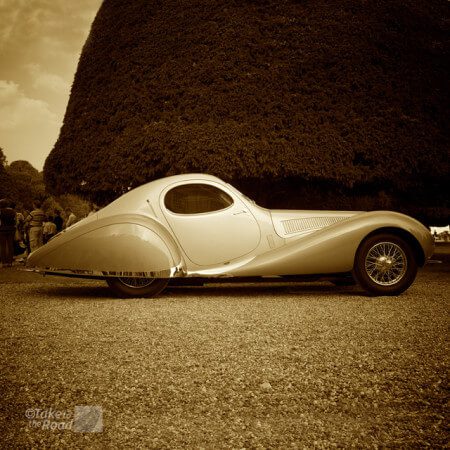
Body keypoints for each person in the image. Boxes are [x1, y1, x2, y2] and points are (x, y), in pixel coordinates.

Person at [0, 198, 16, 267]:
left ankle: (4, 262)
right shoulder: (12, 211)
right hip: (11, 229)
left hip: (2, 229)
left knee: (2, 246)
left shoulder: (0, 211)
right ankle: (10, 262)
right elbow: (14, 220)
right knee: (10, 246)